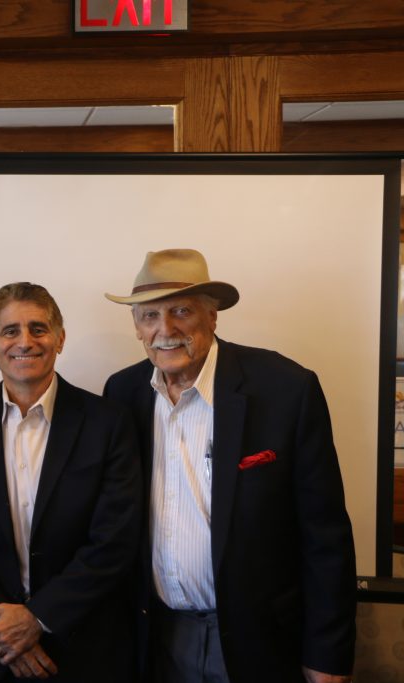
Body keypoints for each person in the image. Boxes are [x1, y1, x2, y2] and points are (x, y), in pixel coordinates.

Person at [102, 248, 356, 683]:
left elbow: (326, 537)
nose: (165, 329)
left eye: (181, 310)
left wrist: (327, 655)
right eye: (149, 316)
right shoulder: (122, 394)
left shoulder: (285, 390)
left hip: (259, 641)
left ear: (212, 316)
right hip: (157, 639)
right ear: (137, 327)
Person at [0, 282, 141, 683]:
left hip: (84, 647)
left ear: (60, 338)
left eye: (38, 328)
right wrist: (5, 628)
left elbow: (114, 540)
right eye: (10, 330)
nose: (24, 342)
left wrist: (39, 618)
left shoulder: (108, 423)